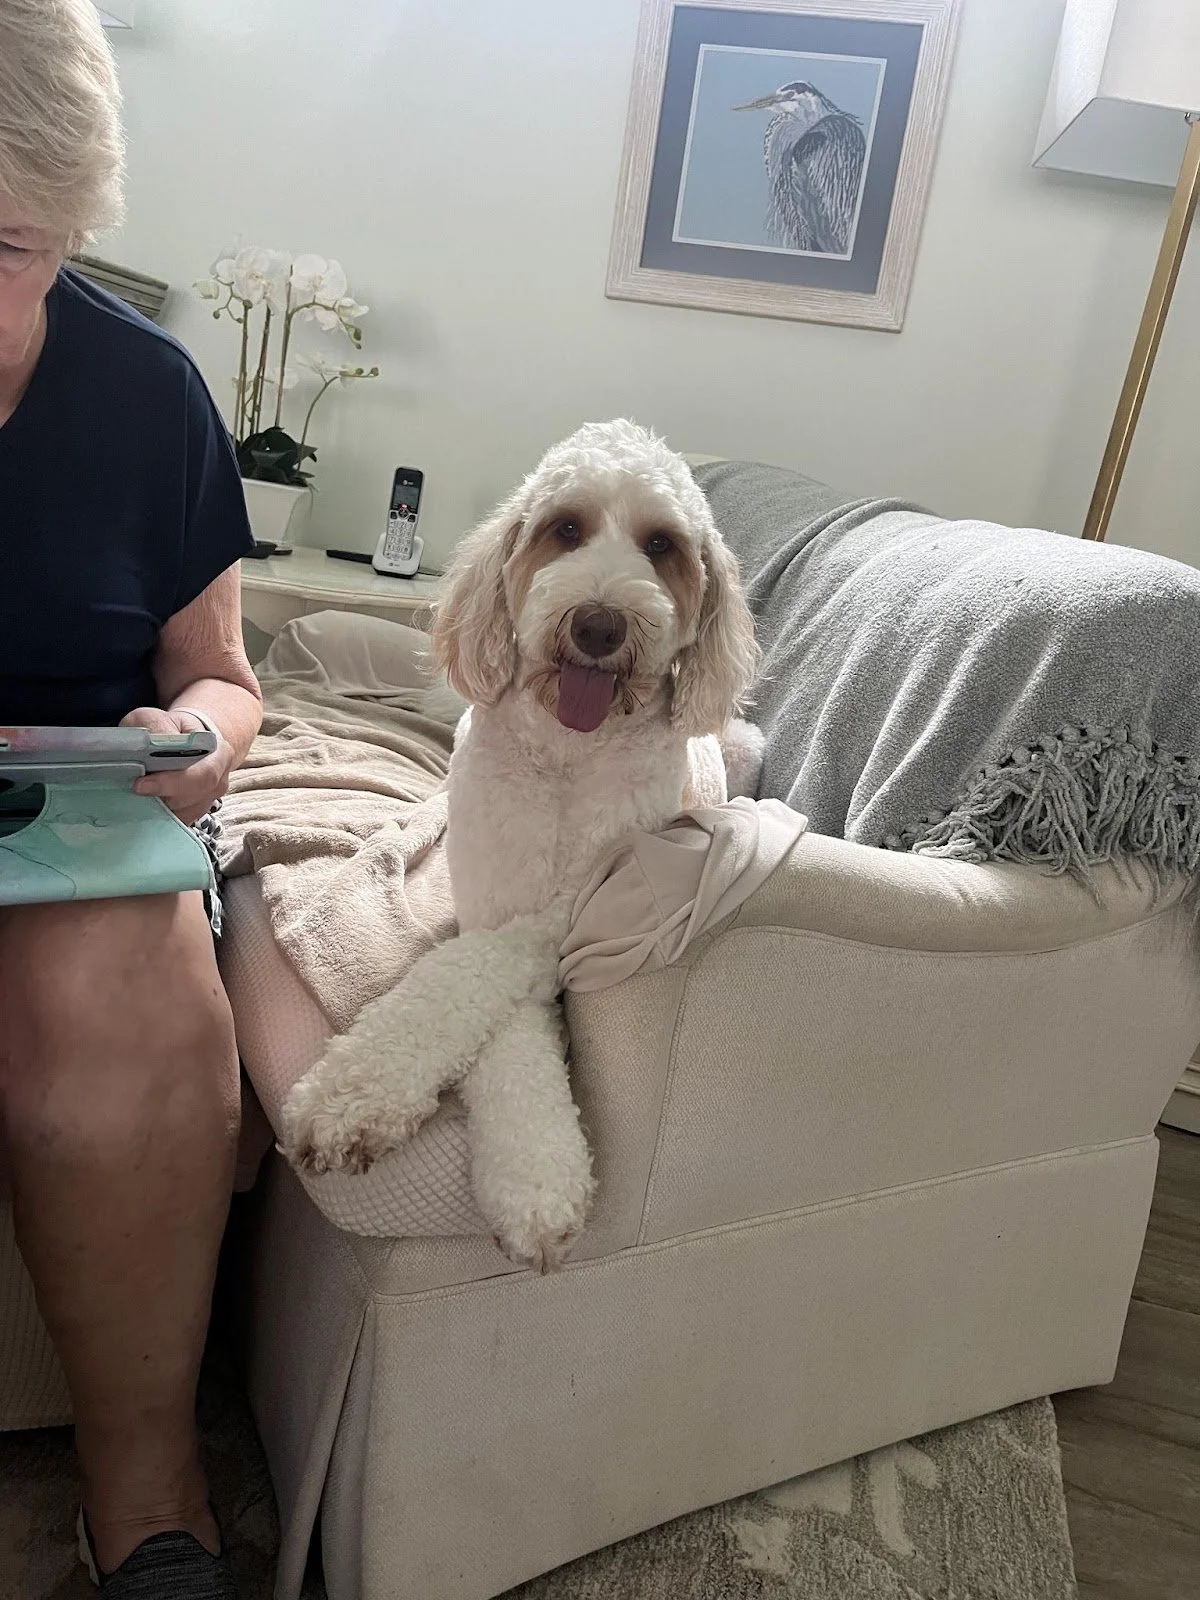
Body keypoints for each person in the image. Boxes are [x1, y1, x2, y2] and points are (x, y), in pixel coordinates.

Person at [0, 3, 260, 1594]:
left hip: (73, 838)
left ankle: (148, 1501)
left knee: (126, 982)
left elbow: (222, 669)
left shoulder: (152, 392)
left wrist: (200, 733)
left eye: (8, 241)